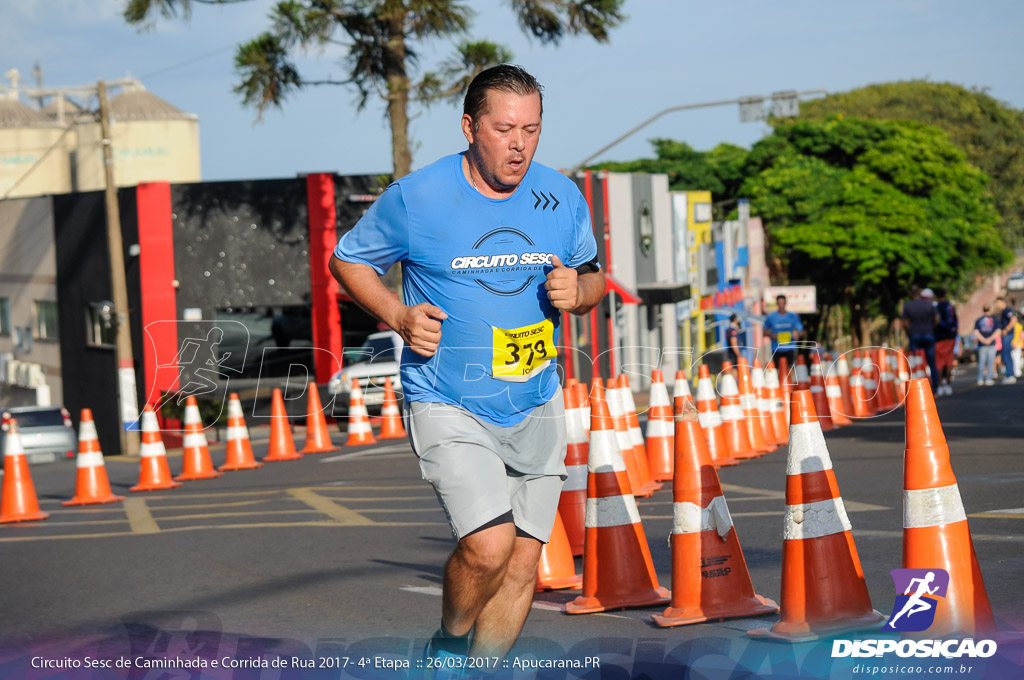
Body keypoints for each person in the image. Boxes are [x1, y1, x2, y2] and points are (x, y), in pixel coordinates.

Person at [327, 65, 606, 665]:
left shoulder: (561, 194)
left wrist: (579, 293)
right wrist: (397, 316)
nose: (519, 144)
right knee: (488, 547)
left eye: (531, 129)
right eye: (505, 129)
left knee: (525, 562)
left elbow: (593, 275)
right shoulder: (417, 197)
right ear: (469, 126)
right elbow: (347, 260)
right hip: (447, 398)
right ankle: (448, 644)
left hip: (536, 398)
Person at [901, 285, 939, 393]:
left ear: (910, 293)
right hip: (928, 334)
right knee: (931, 362)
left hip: (915, 335)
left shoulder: (908, 306)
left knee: (915, 362)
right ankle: (935, 387)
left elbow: (905, 323)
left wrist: (909, 332)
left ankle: (917, 387)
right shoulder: (928, 304)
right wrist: (931, 327)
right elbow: (937, 318)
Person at [763, 295, 804, 369]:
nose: (781, 305)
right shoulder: (771, 317)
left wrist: (797, 334)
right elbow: (764, 331)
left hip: (790, 348)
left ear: (785, 303)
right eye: (779, 303)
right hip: (776, 348)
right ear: (777, 304)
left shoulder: (793, 316)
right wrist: (771, 335)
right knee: (778, 370)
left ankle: (790, 380)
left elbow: (801, 331)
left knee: (790, 369)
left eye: (783, 303)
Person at [933, 288, 958, 396]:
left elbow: (937, 321)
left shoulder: (937, 307)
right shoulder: (950, 306)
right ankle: (948, 384)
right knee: (949, 362)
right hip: (950, 338)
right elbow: (956, 321)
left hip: (939, 338)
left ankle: (939, 386)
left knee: (939, 363)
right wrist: (953, 332)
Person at [973, 305, 999, 386]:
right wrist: (990, 339)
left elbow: (976, 332)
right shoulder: (994, 319)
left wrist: (983, 340)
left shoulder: (979, 320)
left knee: (982, 362)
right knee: (990, 362)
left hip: (982, 344)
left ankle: (980, 379)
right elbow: (998, 331)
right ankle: (989, 379)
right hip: (991, 344)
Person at [995, 297, 1017, 384]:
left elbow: (1014, 319)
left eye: (998, 303)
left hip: (1008, 335)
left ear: (1002, 302)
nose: (997, 305)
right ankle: (1010, 374)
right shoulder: (1004, 311)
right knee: (1006, 355)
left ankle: (1010, 375)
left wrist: (1006, 329)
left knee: (1006, 355)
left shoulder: (1007, 310)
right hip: (1007, 335)